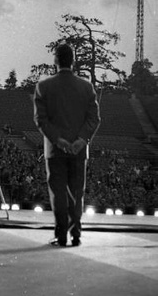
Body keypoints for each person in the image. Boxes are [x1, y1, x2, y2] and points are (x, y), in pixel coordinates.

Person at [33, 43, 100, 247]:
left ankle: (61, 235)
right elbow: (94, 119)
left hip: (55, 151)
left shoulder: (43, 86)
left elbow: (41, 120)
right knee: (77, 192)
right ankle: (76, 234)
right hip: (79, 151)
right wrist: (81, 140)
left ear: (55, 60)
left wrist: (58, 140)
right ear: (73, 61)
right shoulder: (87, 87)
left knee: (59, 193)